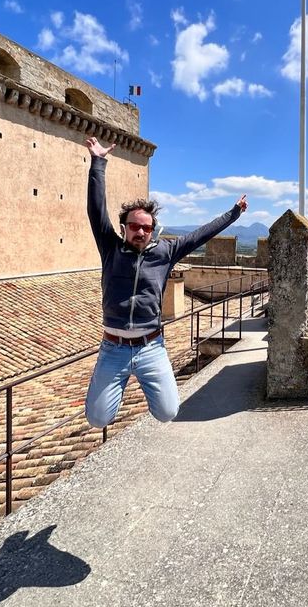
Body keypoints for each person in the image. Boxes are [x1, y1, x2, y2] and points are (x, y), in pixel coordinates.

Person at [84, 136, 247, 428]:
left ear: (153, 230)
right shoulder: (110, 247)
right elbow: (96, 210)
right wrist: (98, 162)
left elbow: (201, 234)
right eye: (135, 226)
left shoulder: (165, 251)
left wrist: (233, 213)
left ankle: (140, 380)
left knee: (168, 412)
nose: (141, 232)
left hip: (151, 346)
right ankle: (112, 382)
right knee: (98, 418)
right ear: (124, 228)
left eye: (147, 227)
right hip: (113, 347)